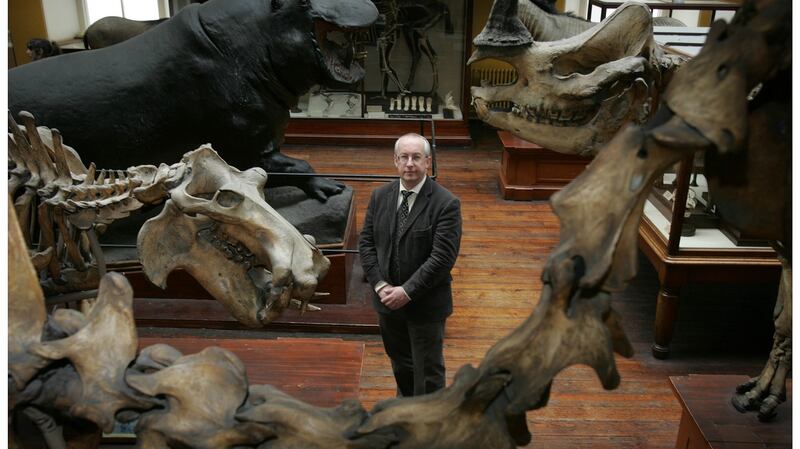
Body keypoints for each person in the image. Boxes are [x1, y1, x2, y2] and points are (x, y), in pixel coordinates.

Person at [358, 133, 462, 397]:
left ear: (428, 162)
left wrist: (406, 292)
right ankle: (406, 417)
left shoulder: (446, 203)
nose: (410, 163)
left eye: (416, 157)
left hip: (425, 306)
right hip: (388, 304)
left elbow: (442, 259)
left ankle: (429, 429)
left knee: (428, 373)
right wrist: (381, 286)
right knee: (401, 367)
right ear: (395, 161)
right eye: (404, 157)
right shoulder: (380, 196)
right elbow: (367, 244)